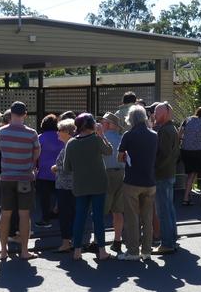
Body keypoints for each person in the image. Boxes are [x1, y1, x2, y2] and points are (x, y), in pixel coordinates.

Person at [64, 113, 112, 261]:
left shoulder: (71, 143)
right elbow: (109, 151)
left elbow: (67, 168)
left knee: (80, 217)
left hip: (80, 185)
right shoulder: (96, 140)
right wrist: (102, 135)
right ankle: (102, 251)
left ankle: (77, 251)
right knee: (98, 217)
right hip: (98, 184)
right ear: (92, 125)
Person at [0, 101, 40, 260]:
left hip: (7, 176)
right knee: (24, 214)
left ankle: (2, 251)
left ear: (11, 113)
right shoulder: (31, 133)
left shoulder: (1, 132)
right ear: (25, 114)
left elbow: (2, 150)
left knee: (5, 213)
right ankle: (24, 251)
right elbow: (37, 153)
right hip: (25, 178)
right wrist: (29, 164)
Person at [118, 106, 158, 261]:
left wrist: (127, 156)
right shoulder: (154, 135)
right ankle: (147, 250)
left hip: (132, 181)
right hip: (150, 181)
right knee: (147, 218)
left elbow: (120, 157)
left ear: (131, 118)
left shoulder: (129, 135)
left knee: (132, 218)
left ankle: (133, 251)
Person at [152, 102, 180, 254]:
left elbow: (163, 155)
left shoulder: (165, 131)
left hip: (162, 174)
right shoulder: (171, 128)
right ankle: (172, 240)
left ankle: (167, 243)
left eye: (156, 112)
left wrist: (153, 168)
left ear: (163, 114)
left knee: (163, 211)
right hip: (169, 173)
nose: (154, 115)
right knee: (169, 208)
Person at [98, 112, 125, 254]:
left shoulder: (101, 138)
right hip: (122, 174)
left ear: (108, 124)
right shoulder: (122, 138)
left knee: (100, 211)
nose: (101, 124)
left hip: (106, 175)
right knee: (118, 210)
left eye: (103, 122)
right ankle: (117, 241)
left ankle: (98, 242)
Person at [51, 119, 76, 253]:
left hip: (65, 186)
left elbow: (68, 167)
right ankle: (72, 241)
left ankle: (66, 242)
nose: (57, 133)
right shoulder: (72, 145)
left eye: (60, 130)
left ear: (67, 132)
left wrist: (56, 168)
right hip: (73, 186)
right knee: (72, 214)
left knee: (65, 215)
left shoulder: (69, 146)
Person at [35, 114, 63, 228]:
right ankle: (60, 215)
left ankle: (45, 218)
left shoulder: (40, 137)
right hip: (59, 172)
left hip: (43, 173)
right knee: (60, 196)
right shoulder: (61, 137)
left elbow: (35, 155)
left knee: (44, 198)